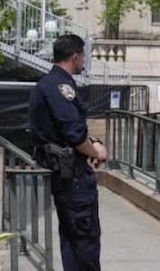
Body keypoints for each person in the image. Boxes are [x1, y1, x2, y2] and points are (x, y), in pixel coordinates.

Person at [28, 34, 106, 271]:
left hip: (65, 173)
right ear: (75, 56)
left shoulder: (47, 84)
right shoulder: (60, 87)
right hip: (73, 176)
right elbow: (73, 133)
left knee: (72, 239)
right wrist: (97, 151)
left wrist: (90, 140)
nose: (84, 61)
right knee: (84, 239)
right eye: (83, 56)